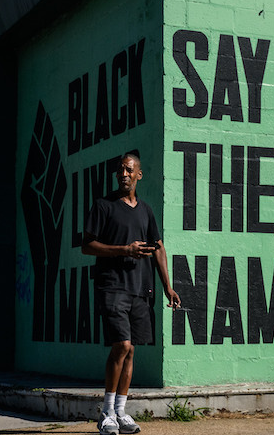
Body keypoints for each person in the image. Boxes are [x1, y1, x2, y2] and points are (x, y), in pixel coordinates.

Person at [82, 152, 180, 435]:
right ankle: (106, 413)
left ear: (139, 174)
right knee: (121, 346)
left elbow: (158, 248)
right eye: (119, 171)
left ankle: (121, 413)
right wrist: (125, 250)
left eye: (128, 170)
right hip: (111, 285)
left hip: (140, 288)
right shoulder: (104, 206)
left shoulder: (146, 210)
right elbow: (87, 246)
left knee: (131, 350)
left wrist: (167, 287)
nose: (123, 175)